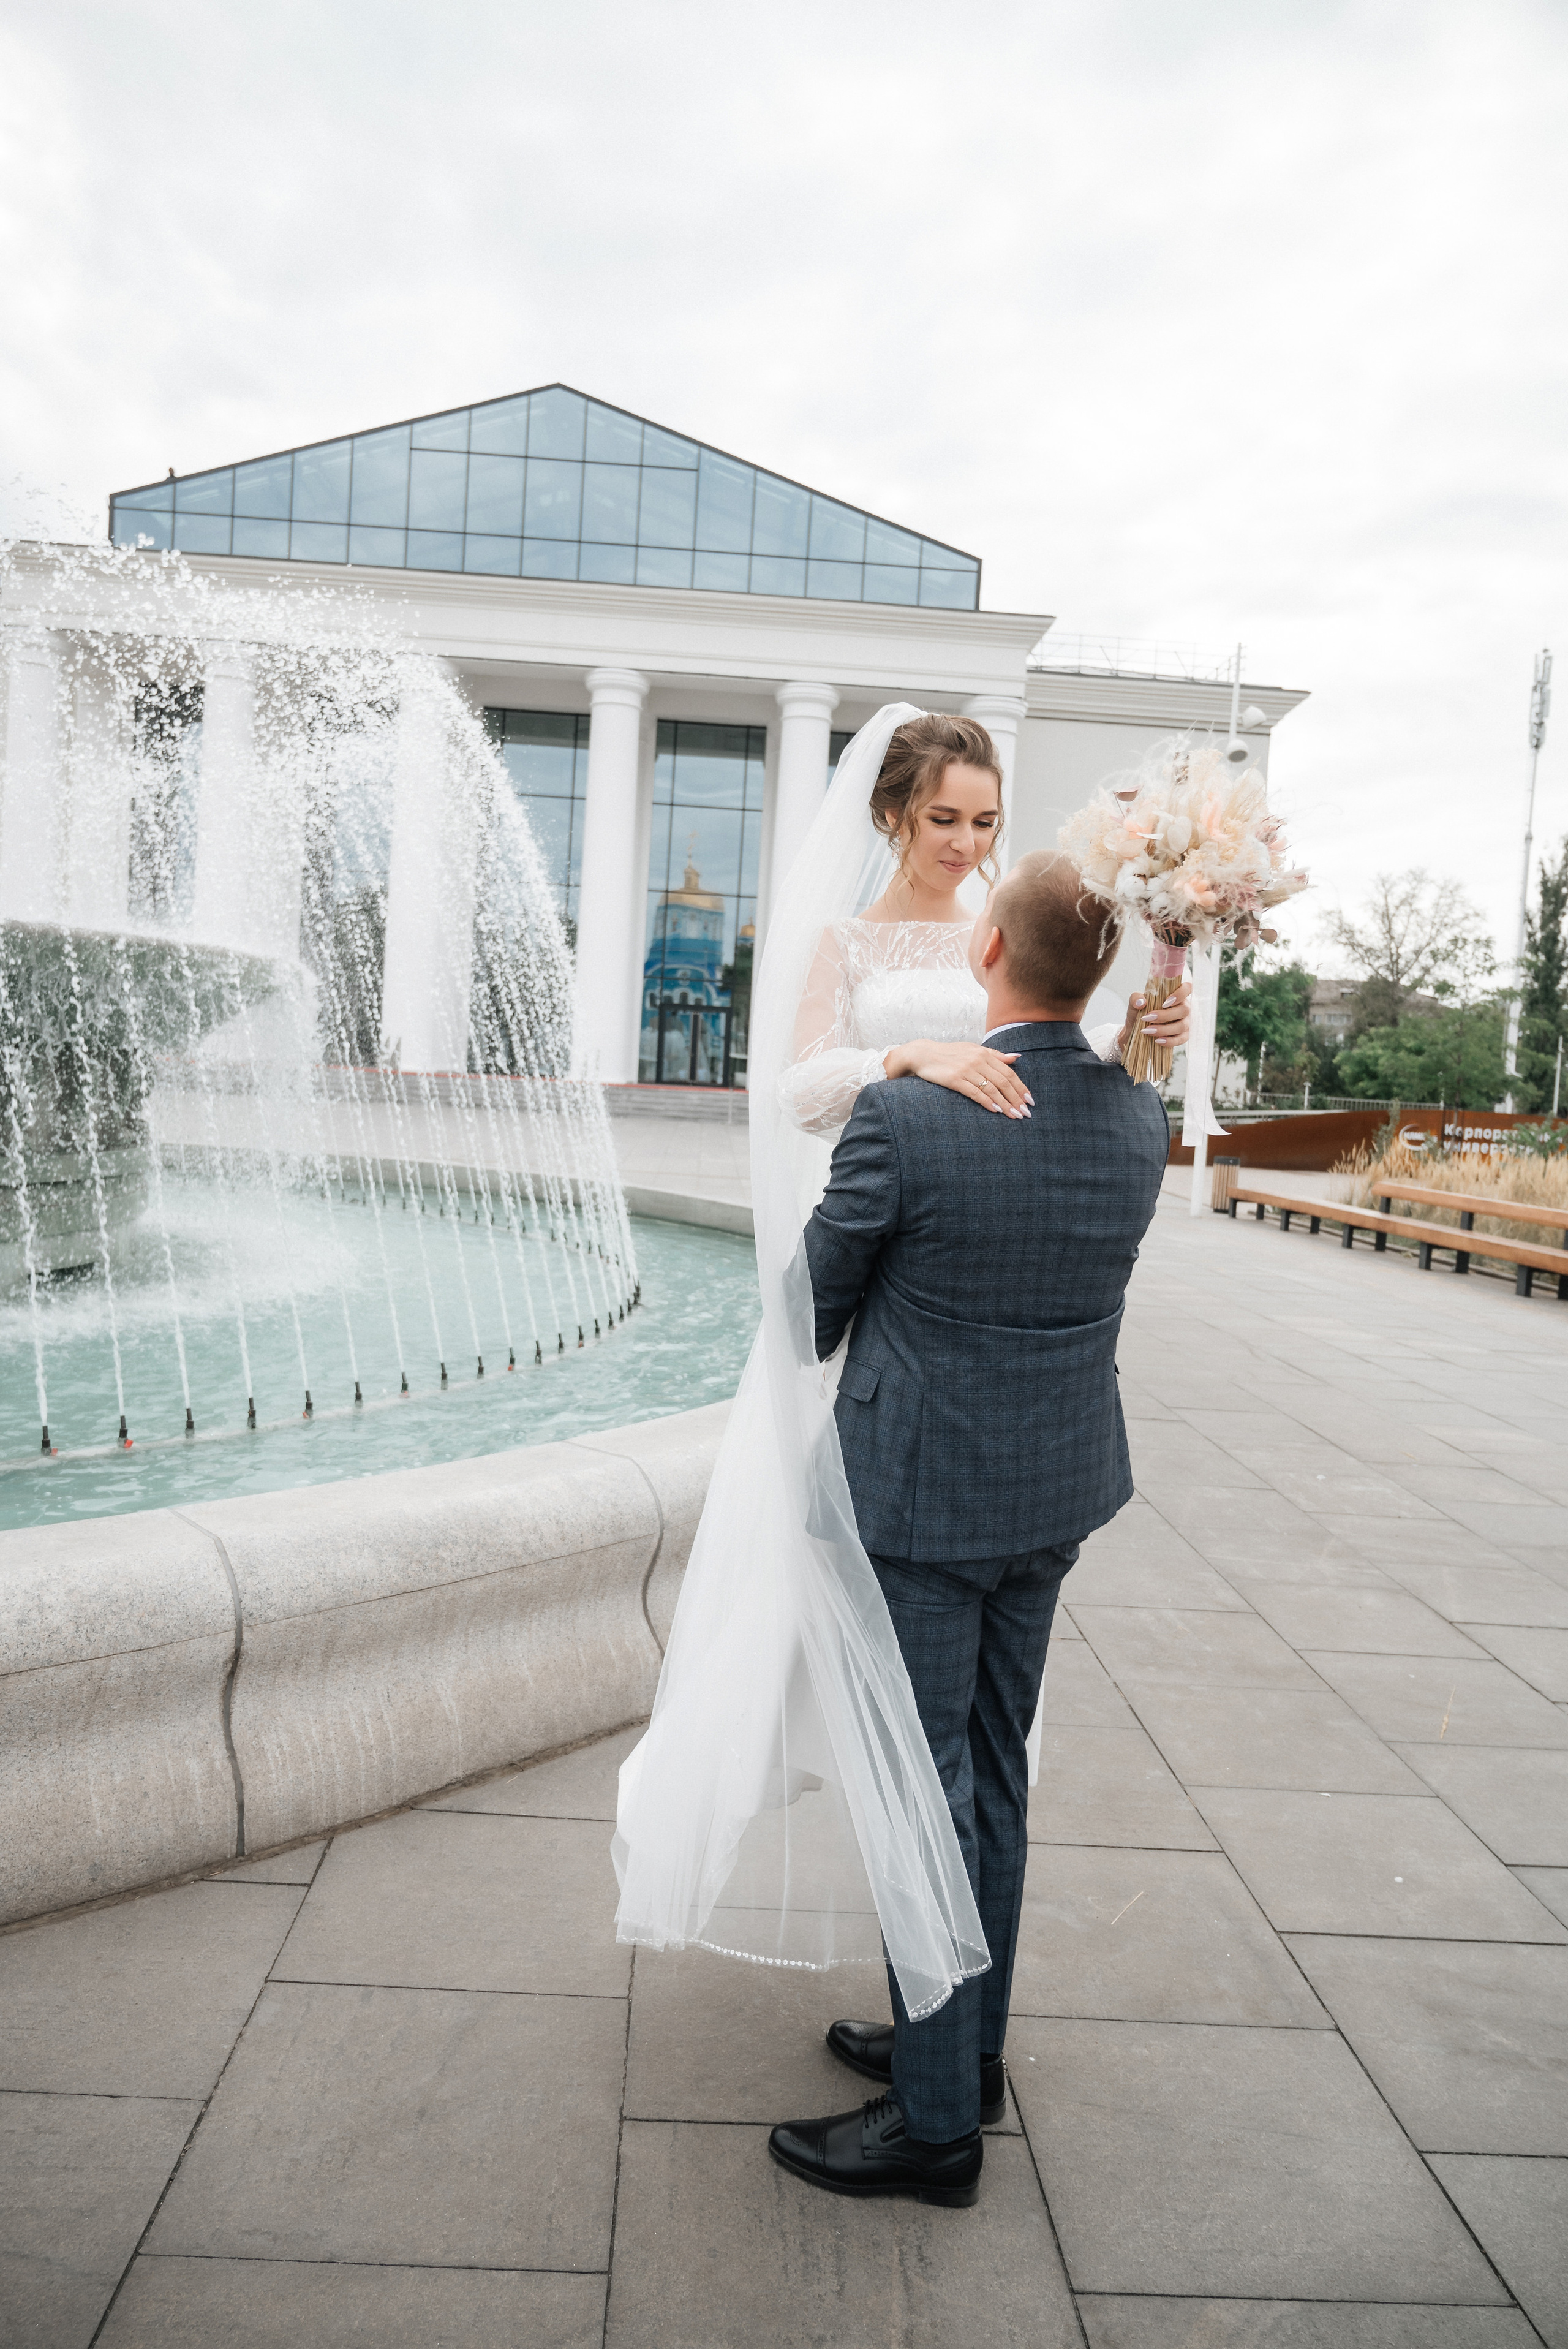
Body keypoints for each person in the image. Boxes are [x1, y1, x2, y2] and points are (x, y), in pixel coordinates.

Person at [612, 706, 1185, 2056]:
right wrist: (902, 1056)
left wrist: (1142, 1042)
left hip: (945, 1332)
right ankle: (947, 2027)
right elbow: (798, 1085)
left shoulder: (1027, 927)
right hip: (897, 1279)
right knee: (932, 1731)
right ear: (890, 818)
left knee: (933, 1753)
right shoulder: (849, 946)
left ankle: (939, 2048)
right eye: (945, 820)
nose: (967, 843)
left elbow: (1075, 1080)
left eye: (986, 822)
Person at [766, 847, 1169, 2206]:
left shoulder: (910, 1118)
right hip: (1049, 1492)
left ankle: (932, 2126)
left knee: (919, 1790)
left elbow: (805, 1312)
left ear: (986, 953)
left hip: (923, 1496)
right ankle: (964, 2044)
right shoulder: (1134, 1118)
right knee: (990, 1771)